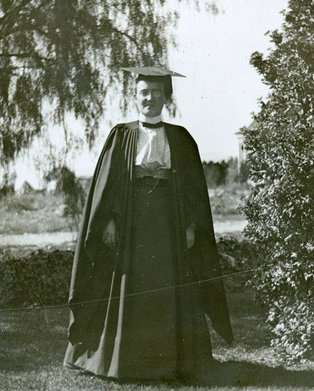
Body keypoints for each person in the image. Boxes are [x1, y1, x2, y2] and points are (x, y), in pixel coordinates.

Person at [64, 66, 233, 381]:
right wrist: (109, 223)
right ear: (135, 96)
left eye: (157, 93)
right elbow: (108, 188)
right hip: (130, 224)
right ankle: (122, 362)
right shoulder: (121, 134)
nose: (150, 99)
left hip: (169, 224)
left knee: (171, 286)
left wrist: (191, 226)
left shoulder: (181, 139)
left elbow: (193, 192)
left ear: (166, 97)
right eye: (144, 92)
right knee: (128, 288)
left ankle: (174, 361)